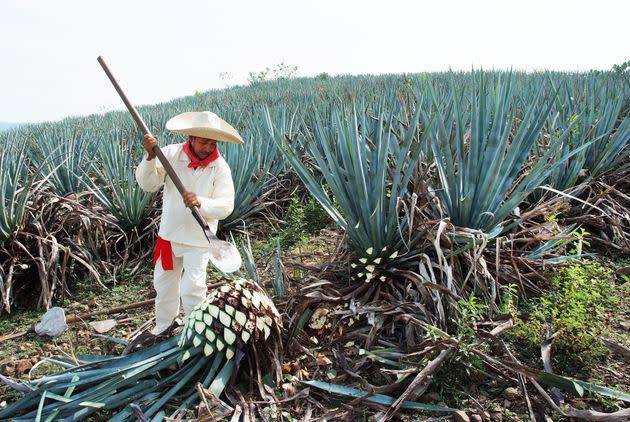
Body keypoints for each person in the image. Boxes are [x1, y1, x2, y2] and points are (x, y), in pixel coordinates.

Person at [135, 111, 243, 335]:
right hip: (169, 237)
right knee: (164, 287)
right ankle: (164, 329)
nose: (208, 148)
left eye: (212, 143)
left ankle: (196, 333)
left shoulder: (220, 167)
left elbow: (226, 206)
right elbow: (148, 184)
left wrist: (200, 202)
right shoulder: (170, 155)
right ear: (191, 138)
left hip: (200, 240)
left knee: (193, 288)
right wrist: (149, 156)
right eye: (204, 142)